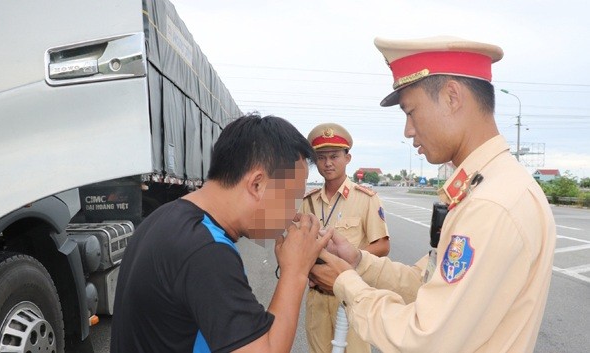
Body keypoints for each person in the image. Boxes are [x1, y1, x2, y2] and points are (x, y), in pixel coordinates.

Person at [309, 36, 556, 352]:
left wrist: (346, 283)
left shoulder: (490, 204)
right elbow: (427, 284)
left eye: (410, 112)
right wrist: (358, 261)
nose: (408, 130)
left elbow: (424, 338)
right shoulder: (487, 187)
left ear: (452, 97)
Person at [110, 114, 333, 353]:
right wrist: (296, 270)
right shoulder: (206, 251)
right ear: (257, 184)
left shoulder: (165, 218)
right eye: (291, 198)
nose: (293, 214)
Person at [300, 122, 390, 353]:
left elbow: (382, 245)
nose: (328, 163)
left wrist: (346, 263)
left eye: (334, 156)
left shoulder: (365, 198)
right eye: (321, 157)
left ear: (347, 158)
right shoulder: (308, 202)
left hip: (349, 298)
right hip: (318, 298)